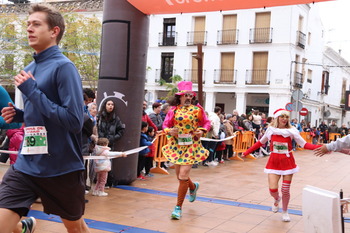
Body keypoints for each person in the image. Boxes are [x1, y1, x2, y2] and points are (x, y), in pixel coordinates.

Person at [0, 3, 91, 232]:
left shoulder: (65, 67)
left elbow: (73, 121)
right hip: (27, 164)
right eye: (28, 24)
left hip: (60, 169)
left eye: (36, 24)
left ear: (54, 31)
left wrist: (32, 92)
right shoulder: (30, 67)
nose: (29, 29)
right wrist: (21, 114)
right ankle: (23, 226)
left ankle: (24, 226)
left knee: (77, 228)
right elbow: (43, 112)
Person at [242, 109, 321, 222]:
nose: (284, 119)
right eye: (282, 117)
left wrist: (322, 147)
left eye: (286, 117)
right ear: (277, 118)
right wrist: (246, 152)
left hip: (287, 162)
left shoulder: (292, 131)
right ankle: (277, 199)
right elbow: (260, 142)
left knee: (285, 189)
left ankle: (285, 211)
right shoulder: (270, 130)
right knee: (272, 189)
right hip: (273, 162)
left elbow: (305, 144)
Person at [162, 81, 211, 220]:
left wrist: (202, 131)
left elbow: (206, 123)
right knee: (180, 177)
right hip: (176, 146)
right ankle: (193, 187)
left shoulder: (197, 110)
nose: (188, 97)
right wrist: (169, 131)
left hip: (192, 145)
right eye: (185, 95)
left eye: (190, 95)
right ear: (180, 97)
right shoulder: (173, 110)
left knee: (183, 176)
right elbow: (165, 125)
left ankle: (178, 207)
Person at [97, 99, 125, 187]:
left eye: (112, 104)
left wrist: (112, 139)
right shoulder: (99, 117)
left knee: (107, 163)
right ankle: (101, 183)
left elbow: (121, 130)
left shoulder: (115, 118)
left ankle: (108, 181)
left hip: (110, 144)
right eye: (108, 104)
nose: (110, 106)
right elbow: (96, 128)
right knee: (99, 164)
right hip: (99, 145)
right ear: (105, 105)